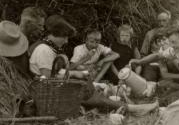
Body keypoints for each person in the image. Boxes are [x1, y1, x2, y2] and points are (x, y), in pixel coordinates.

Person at [30, 16, 158, 114]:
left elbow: (57, 73)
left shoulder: (51, 48)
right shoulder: (44, 50)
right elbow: (47, 81)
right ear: (57, 35)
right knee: (94, 96)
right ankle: (133, 108)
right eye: (65, 37)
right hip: (51, 94)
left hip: (56, 87)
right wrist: (75, 74)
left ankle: (128, 105)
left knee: (94, 92)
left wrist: (76, 74)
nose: (66, 41)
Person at [140, 11, 173, 81]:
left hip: (169, 64)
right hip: (152, 63)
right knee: (147, 81)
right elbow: (143, 53)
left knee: (168, 84)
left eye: (164, 21)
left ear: (169, 21)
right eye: (159, 21)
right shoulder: (150, 34)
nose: (161, 24)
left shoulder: (174, 34)